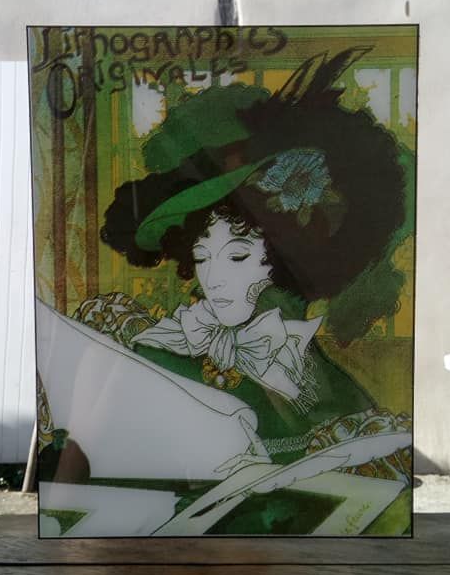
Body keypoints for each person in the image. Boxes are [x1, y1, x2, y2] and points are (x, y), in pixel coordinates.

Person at [73, 48, 413, 482]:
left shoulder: (322, 378)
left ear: (280, 259)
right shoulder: (159, 354)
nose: (213, 278)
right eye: (201, 257)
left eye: (236, 256)